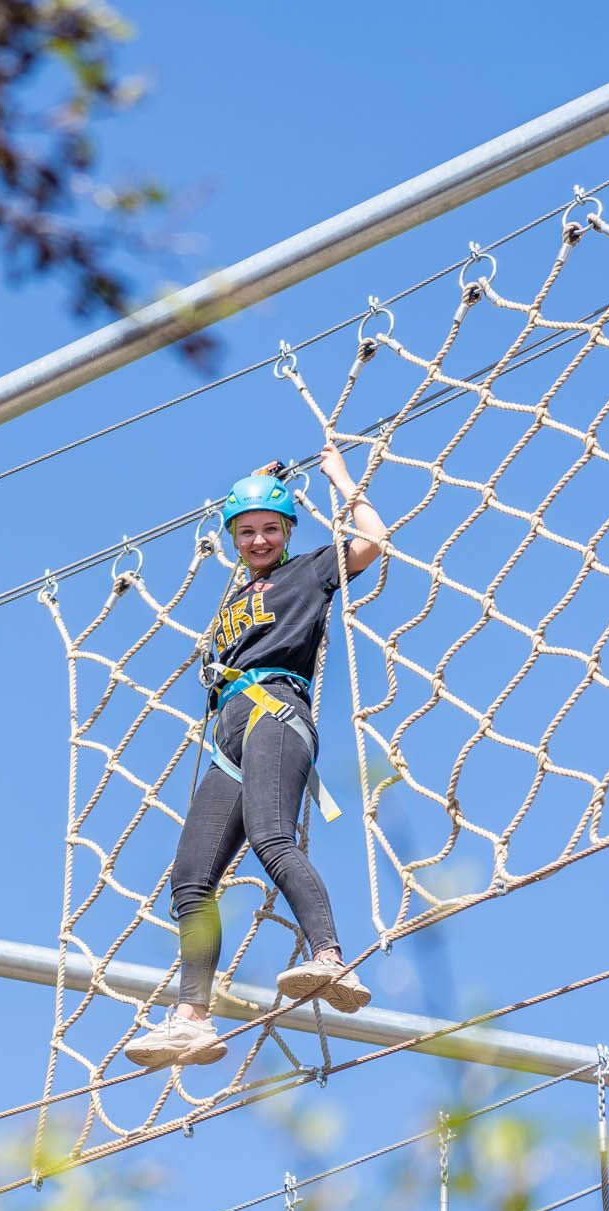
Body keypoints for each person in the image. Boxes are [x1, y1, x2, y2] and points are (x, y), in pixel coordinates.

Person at [126, 444, 387, 1070]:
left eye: (271, 529)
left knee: (272, 836)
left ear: (289, 530)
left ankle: (329, 958)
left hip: (276, 710)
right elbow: (251, 527)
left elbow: (374, 540)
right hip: (228, 732)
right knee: (190, 878)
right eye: (247, 531)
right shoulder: (239, 589)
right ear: (233, 538)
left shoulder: (312, 570)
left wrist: (338, 477)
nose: (260, 539)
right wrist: (264, 485)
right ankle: (192, 1017)